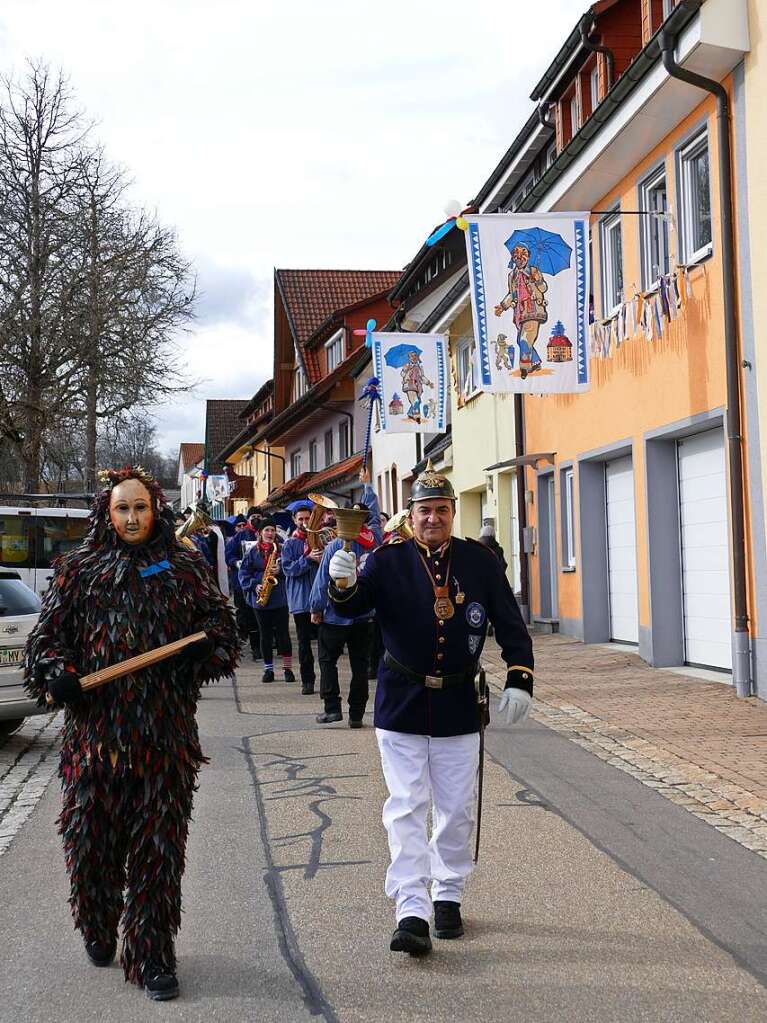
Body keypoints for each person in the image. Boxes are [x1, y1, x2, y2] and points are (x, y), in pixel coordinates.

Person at [24, 466, 238, 1000]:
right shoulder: (79, 571)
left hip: (164, 741)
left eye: (141, 508)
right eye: (123, 509)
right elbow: (45, 639)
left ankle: (152, 956)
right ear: (107, 512)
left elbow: (223, 632)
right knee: (90, 844)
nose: (132, 518)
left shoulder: (184, 567)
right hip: (94, 742)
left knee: (157, 853)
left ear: (156, 509)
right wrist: (56, 672)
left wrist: (203, 648)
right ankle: (97, 922)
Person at [326, 460, 533, 956]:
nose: (433, 518)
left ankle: (448, 893)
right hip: (401, 702)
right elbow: (352, 609)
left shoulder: (480, 562)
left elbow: (509, 622)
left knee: (457, 809)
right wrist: (342, 582)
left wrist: (520, 676)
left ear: (452, 512)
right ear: (410, 514)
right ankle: (411, 907)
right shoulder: (387, 561)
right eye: (424, 510)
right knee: (406, 806)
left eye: (442, 509)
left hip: (460, 703)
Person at [309, 470, 381, 726]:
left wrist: (315, 608)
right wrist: (367, 485)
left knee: (328, 662)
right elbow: (372, 509)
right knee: (360, 666)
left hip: (335, 614)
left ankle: (332, 708)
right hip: (365, 616)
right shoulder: (376, 541)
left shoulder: (334, 546)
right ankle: (356, 714)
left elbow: (322, 582)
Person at [239, 517, 294, 684]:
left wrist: (281, 570)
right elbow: (243, 574)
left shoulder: (282, 549)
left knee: (283, 635)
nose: (270, 533)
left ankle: (288, 669)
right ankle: (268, 669)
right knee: (265, 635)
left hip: (279, 598)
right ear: (260, 533)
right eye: (267, 530)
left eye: (272, 530)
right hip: (260, 598)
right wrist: (254, 585)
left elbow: (291, 570)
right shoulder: (252, 552)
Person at [281, 499, 321, 695]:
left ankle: (328, 680)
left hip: (320, 599)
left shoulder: (320, 538)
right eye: (301, 519)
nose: (304, 522)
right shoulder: (289, 544)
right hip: (301, 601)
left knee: (325, 644)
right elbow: (288, 569)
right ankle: (308, 681)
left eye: (307, 518)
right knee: (304, 645)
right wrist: (308, 559)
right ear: (294, 520)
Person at [494, 242, 548, 379]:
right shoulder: (512, 276)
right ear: (513, 258)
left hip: (533, 309)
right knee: (521, 340)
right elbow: (512, 294)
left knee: (524, 340)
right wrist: (503, 306)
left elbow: (543, 289)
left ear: (528, 257)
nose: (519, 257)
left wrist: (538, 281)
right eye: (516, 255)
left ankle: (525, 368)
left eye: (523, 254)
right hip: (520, 312)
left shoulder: (533, 271)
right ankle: (535, 362)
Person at [225, 514, 261, 659]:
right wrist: (236, 562)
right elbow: (228, 555)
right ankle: (254, 646)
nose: (256, 519)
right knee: (247, 614)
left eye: (259, 516)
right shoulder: (239, 536)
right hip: (243, 583)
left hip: (262, 582)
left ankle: (266, 644)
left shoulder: (268, 533)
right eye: (253, 516)